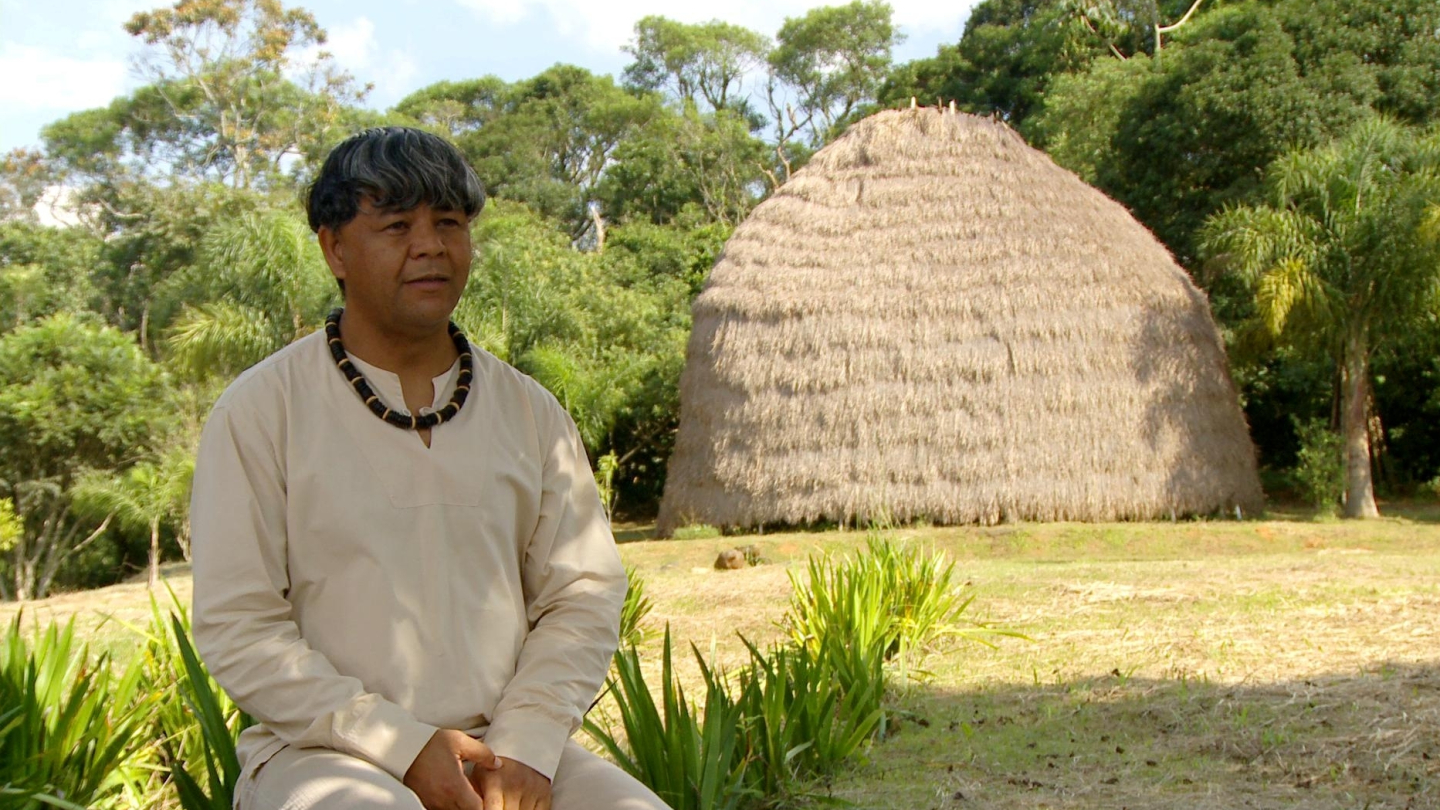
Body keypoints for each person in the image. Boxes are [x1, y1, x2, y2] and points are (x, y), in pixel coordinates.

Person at [190, 126, 670, 810]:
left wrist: (527, 744)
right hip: (326, 756)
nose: (430, 246)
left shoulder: (530, 413)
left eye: (449, 222)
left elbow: (583, 594)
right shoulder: (262, 412)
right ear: (334, 248)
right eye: (396, 224)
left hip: (508, 750)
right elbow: (240, 626)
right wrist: (404, 746)